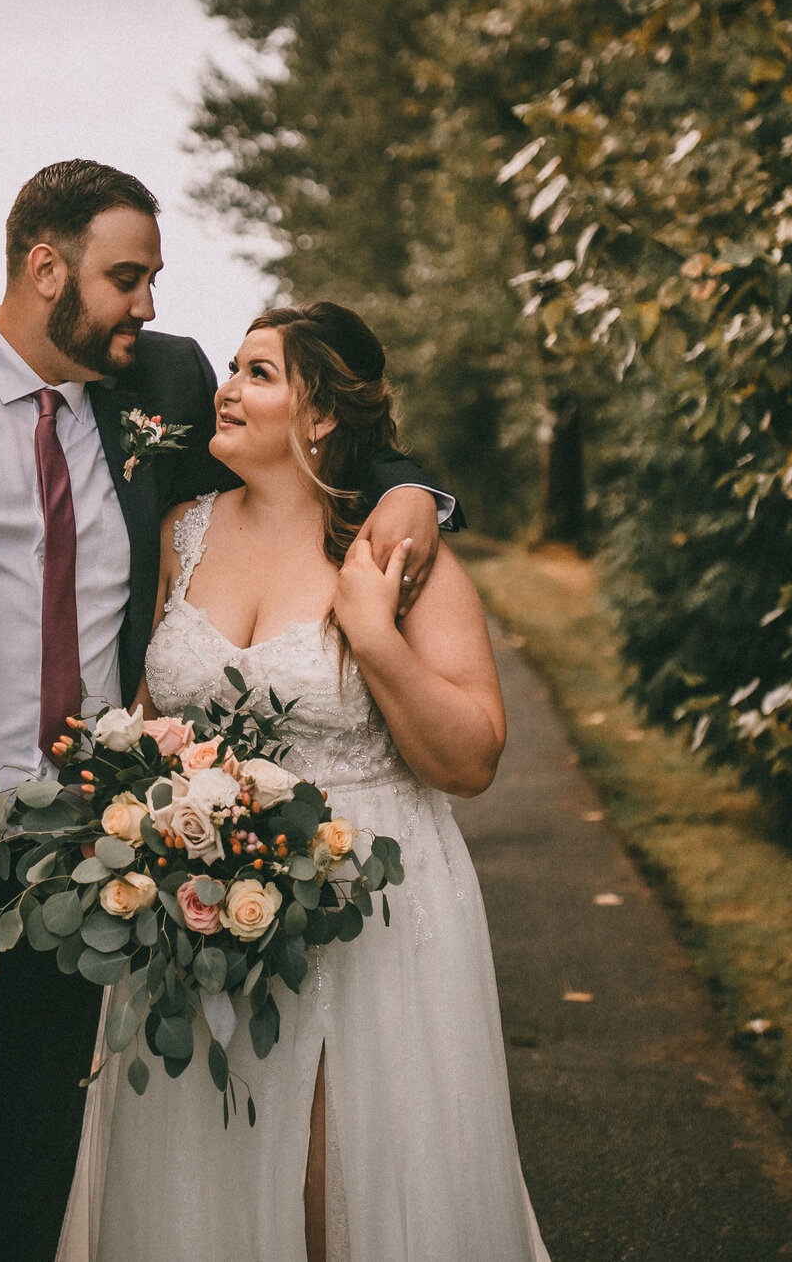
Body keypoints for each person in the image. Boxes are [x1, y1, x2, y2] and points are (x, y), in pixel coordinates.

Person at [0, 162, 459, 1262]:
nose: (148, 305)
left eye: (153, 279)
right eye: (126, 276)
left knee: (29, 1191)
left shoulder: (159, 379)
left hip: (78, 875)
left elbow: (320, 442)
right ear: (44, 267)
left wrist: (411, 489)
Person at [57, 301, 549, 1262]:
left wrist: (372, 636)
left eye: (258, 373)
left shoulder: (394, 553)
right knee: (206, 1171)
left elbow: (473, 757)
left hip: (371, 911)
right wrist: (139, 813)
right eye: (231, 368)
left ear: (321, 415)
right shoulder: (182, 531)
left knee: (346, 1183)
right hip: (198, 902)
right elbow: (156, 713)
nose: (225, 389)